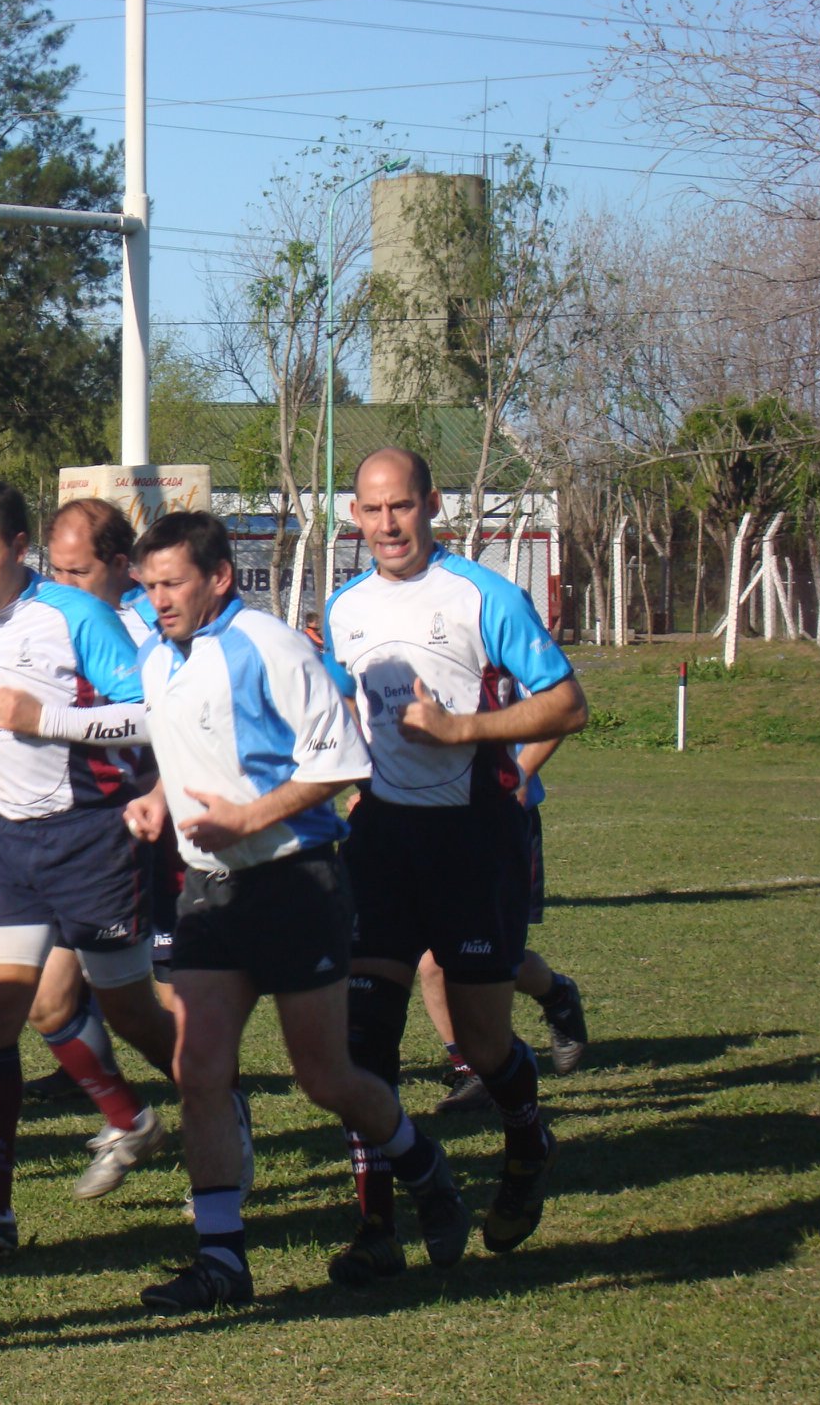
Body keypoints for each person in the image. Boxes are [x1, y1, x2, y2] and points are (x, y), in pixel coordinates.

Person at [122, 511, 469, 1314]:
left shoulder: (272, 646)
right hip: (210, 893)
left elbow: (342, 762)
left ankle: (424, 1169)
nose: (157, 599)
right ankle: (222, 1261)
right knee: (199, 1072)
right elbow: (188, 747)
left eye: (172, 583)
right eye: (149, 585)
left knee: (323, 1077)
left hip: (294, 885)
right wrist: (157, 799)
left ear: (219, 578)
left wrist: (247, 818)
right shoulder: (157, 655)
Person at [325, 447, 589, 1277]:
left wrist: (462, 730)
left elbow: (568, 705)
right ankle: (376, 1229)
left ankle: (527, 1141)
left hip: (475, 839)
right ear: (354, 516)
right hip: (382, 842)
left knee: (481, 1039)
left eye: (401, 506)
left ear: (432, 505)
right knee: (362, 1042)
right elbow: (335, 706)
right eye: (372, 510)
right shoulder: (344, 607)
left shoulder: (484, 596)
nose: (387, 525)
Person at [0, 481, 179, 1257]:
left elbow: (149, 716)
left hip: (92, 839)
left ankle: (218, 1100)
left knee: (131, 1014)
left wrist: (46, 721)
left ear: (20, 549)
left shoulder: (77, 616)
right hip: (6, 843)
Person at [425, 737, 588, 1112]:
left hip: (497, 823)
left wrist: (520, 776)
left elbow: (559, 713)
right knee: (434, 959)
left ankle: (555, 994)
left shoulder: (502, 690)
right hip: (428, 823)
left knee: (473, 958)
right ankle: (472, 1070)